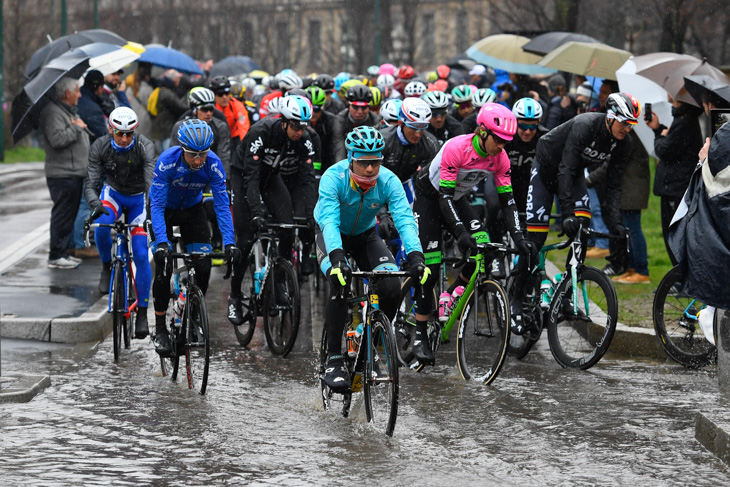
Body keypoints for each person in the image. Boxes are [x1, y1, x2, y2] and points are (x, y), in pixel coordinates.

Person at [412, 103, 534, 363]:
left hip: (455, 198)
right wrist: (459, 232)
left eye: (507, 141)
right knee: (430, 269)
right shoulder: (457, 147)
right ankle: (420, 333)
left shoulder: (499, 157)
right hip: (430, 197)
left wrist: (520, 237)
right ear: (482, 132)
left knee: (486, 247)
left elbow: (508, 201)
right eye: (499, 140)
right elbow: (443, 198)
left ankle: (452, 293)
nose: (502, 146)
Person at [510, 93, 640, 333]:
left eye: (632, 124)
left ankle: (565, 292)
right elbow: (565, 168)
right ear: (610, 118)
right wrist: (567, 213)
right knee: (534, 242)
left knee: (583, 230)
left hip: (573, 174)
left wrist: (616, 225)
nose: (627, 128)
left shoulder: (624, 142)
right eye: (624, 122)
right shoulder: (585, 125)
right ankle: (516, 303)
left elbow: (613, 186)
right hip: (548, 169)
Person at [315, 125, 428, 391]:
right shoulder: (333, 177)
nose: (370, 169)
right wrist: (338, 258)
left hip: (366, 235)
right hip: (330, 235)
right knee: (339, 281)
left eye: (375, 162)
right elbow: (329, 221)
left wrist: (416, 256)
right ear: (351, 158)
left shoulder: (388, 181)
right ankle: (333, 358)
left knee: (390, 286)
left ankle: (369, 342)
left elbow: (404, 219)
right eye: (364, 163)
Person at [149, 119, 239, 355]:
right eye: (192, 155)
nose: (198, 160)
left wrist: (229, 242)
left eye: (203, 154)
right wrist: (161, 243)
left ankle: (194, 315)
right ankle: (159, 329)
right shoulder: (167, 161)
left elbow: (221, 206)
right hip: (165, 212)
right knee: (164, 266)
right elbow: (156, 205)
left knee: (203, 264)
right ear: (182, 149)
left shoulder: (214, 164)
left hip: (192, 211)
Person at [228, 95, 318, 325]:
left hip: (271, 178)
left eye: (304, 126)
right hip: (244, 177)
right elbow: (251, 178)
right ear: (284, 121)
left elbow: (308, 181)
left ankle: (280, 280)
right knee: (246, 239)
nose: (300, 132)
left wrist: (310, 215)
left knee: (287, 227)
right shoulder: (262, 132)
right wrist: (256, 212)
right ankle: (235, 295)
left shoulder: (303, 139)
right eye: (296, 126)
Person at [84, 107, 156, 337]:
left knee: (142, 254)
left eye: (129, 134)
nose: (124, 139)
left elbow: (151, 186)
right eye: (119, 133)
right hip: (112, 194)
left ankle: (143, 312)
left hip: (137, 200)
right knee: (103, 226)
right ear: (110, 129)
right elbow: (91, 183)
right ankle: (107, 267)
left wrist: (153, 215)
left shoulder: (144, 146)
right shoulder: (100, 145)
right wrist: (95, 204)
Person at [40, 77, 90, 269]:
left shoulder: (64, 110)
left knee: (68, 214)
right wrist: (76, 128)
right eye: (77, 91)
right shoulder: (53, 112)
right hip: (62, 173)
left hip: (72, 172)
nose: (79, 94)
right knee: (62, 214)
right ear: (67, 93)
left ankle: (63, 252)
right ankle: (56, 254)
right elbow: (57, 139)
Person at [647, 94, 703, 267]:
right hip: (674, 186)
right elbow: (673, 144)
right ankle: (679, 277)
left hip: (676, 188)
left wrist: (658, 136)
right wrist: (659, 130)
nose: (666, 92)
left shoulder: (685, 120)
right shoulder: (682, 118)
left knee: (675, 235)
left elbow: (665, 150)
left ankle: (680, 279)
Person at [332, 84, 382, 162]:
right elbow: (339, 149)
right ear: (348, 104)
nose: (360, 111)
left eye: (364, 107)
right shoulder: (339, 120)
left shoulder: (376, 120)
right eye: (355, 107)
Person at [209, 75, 250, 156]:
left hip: (233, 137)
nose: (224, 97)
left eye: (227, 93)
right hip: (215, 137)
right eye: (220, 94)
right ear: (214, 94)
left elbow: (243, 126)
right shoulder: (210, 107)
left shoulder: (236, 105)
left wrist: (243, 146)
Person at [306, 85, 337, 176]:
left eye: (317, 109)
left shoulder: (331, 120)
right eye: (311, 109)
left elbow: (335, 146)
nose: (313, 113)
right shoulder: (300, 122)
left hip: (326, 159)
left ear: (323, 107)